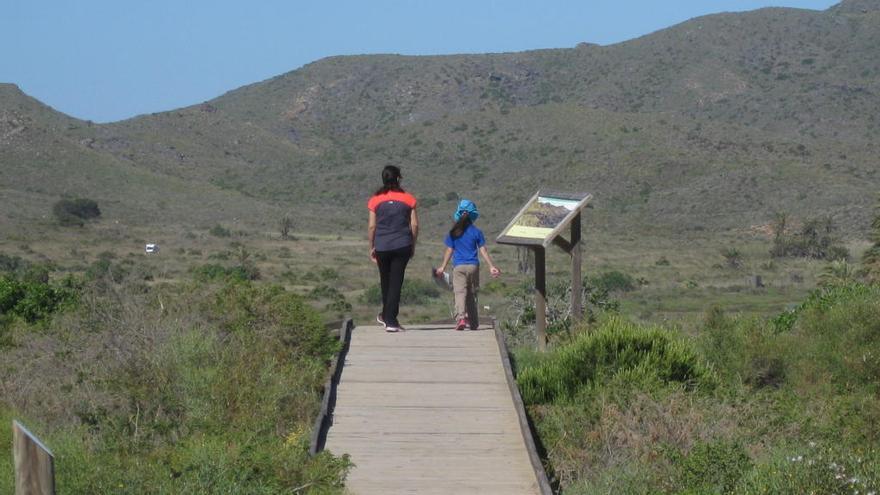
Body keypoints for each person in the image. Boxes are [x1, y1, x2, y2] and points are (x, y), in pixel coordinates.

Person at [434, 199, 500, 331]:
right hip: (473, 266)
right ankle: (474, 322)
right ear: (472, 215)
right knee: (471, 293)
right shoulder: (476, 232)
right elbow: (483, 250)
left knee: (459, 292)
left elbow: (449, 250)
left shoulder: (453, 233)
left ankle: (461, 319)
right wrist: (491, 266)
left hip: (459, 267)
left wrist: (442, 267)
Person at [368, 165, 418, 332]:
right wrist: (413, 244)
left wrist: (372, 246)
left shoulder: (375, 200)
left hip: (382, 245)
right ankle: (390, 319)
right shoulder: (409, 199)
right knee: (396, 282)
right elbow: (414, 224)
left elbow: (372, 227)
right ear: (398, 179)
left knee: (386, 281)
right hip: (402, 244)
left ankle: (387, 317)